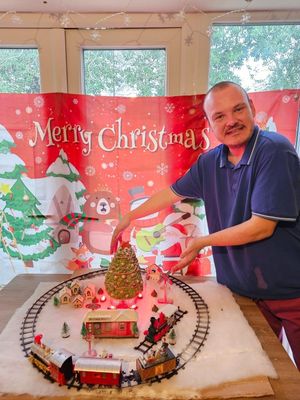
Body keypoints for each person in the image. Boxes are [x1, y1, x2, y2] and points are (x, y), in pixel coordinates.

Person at [110, 81, 300, 369]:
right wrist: (130, 216)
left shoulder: (274, 151)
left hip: (291, 292)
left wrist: (201, 242)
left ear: (252, 108)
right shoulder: (209, 162)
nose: (231, 121)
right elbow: (171, 193)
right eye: (220, 116)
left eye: (238, 109)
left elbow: (262, 226)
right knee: (260, 371)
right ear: (210, 124)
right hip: (244, 292)